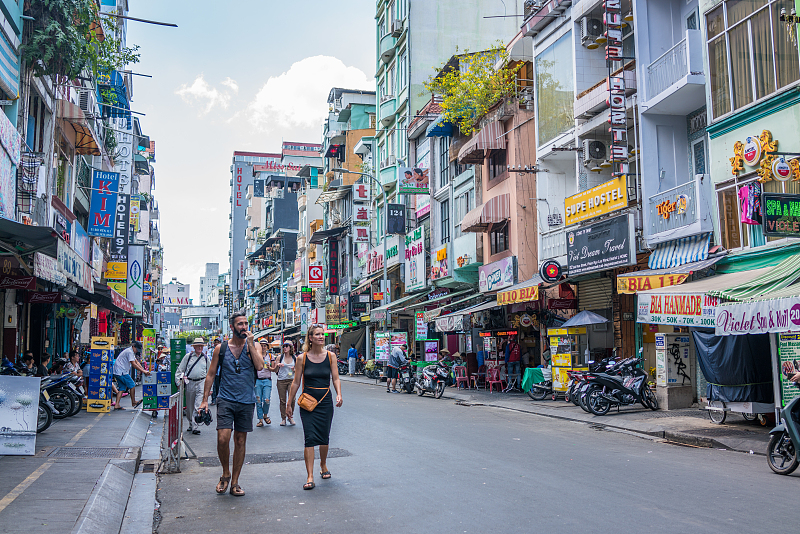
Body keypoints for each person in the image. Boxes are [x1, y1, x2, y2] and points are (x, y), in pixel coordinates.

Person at [197, 311, 264, 497]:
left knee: (240, 440)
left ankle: (235, 481)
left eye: (246, 323)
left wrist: (250, 345)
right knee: (223, 438)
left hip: (246, 400)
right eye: (240, 324)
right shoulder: (221, 349)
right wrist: (204, 400)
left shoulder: (254, 346)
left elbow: (260, 367)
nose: (244, 327)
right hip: (226, 399)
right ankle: (225, 472)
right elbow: (211, 374)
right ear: (232, 327)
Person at [286, 324, 343, 490]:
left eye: (322, 334)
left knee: (324, 437)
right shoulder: (301, 358)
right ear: (310, 338)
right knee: (309, 437)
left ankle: (323, 465)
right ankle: (310, 476)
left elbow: (336, 378)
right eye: (317, 334)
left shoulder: (331, 356)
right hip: (308, 403)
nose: (321, 337)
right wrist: (289, 403)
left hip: (325, 401)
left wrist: (339, 393)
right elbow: (296, 382)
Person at [176, 338, 210, 435]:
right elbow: (180, 370)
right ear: (194, 347)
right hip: (190, 382)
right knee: (190, 406)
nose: (200, 347)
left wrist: (209, 389)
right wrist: (178, 382)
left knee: (197, 405)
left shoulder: (206, 358)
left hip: (201, 382)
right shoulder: (188, 357)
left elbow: (210, 374)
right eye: (198, 345)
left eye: (201, 345)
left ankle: (195, 425)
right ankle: (191, 423)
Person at [113, 342, 150, 410]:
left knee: (122, 388)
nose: (136, 351)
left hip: (118, 371)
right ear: (133, 346)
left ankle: (117, 404)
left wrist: (143, 370)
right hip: (121, 371)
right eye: (136, 349)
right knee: (132, 385)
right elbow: (134, 364)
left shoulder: (130, 352)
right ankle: (133, 402)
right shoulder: (129, 352)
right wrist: (143, 371)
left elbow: (136, 362)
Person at [275, 340, 297, 426]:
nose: (285, 347)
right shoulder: (279, 357)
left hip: (291, 380)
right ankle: (283, 418)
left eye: (287, 346)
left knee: (292, 399)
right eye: (283, 346)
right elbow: (275, 370)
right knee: (282, 400)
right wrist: (277, 365)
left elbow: (298, 371)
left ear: (290, 347)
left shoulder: (295, 358)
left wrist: (294, 370)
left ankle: (290, 417)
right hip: (281, 380)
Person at [255, 338, 273, 427]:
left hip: (267, 380)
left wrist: (270, 367)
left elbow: (274, 369)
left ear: (267, 347)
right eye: (261, 345)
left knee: (267, 400)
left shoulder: (270, 356)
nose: (263, 347)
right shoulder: (256, 356)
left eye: (264, 346)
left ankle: (265, 415)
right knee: (258, 400)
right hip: (257, 380)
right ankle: (260, 420)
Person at [211, 338, 222, 405]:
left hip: (219, 372)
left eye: (218, 342)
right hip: (213, 372)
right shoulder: (211, 351)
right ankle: (213, 400)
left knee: (218, 386)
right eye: (216, 342)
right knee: (213, 386)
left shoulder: (223, 351)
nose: (217, 343)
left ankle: (218, 399)